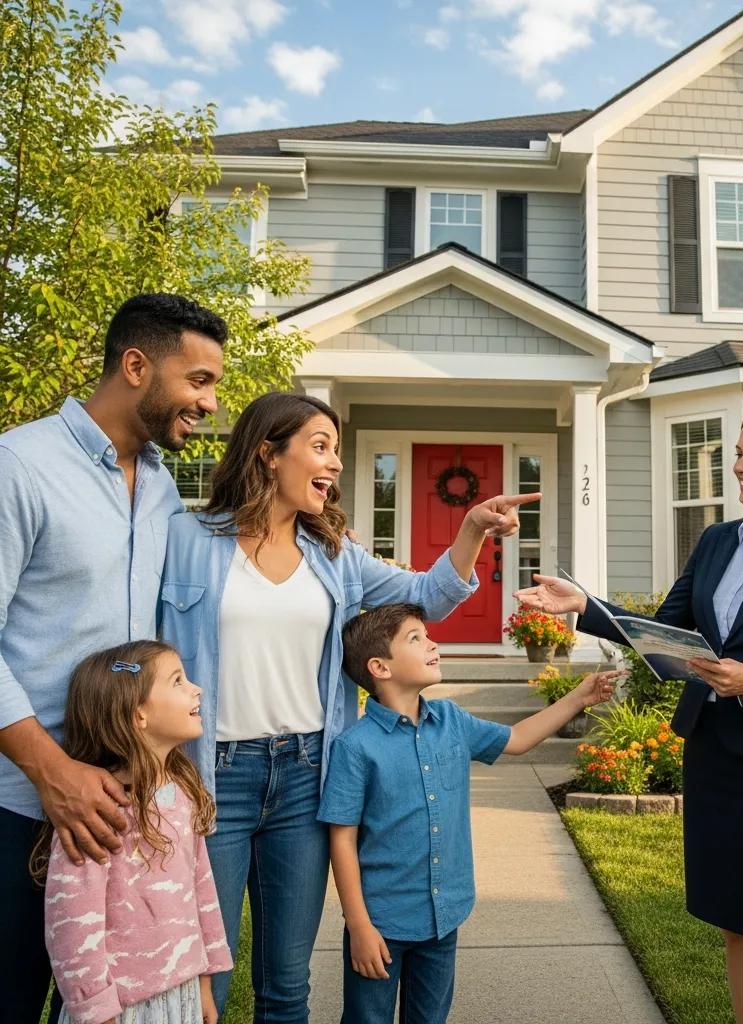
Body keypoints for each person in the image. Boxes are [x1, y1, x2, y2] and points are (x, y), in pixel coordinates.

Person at [159, 391, 540, 1023]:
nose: (334, 463)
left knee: (286, 982)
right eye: (319, 447)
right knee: (207, 975)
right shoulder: (187, 539)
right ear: (266, 453)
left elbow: (426, 595)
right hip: (209, 776)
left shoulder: (334, 555)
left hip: (307, 774)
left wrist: (472, 527)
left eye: (336, 449)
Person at [515, 404, 743, 1024]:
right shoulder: (714, 541)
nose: (739, 467)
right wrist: (585, 605)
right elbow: (666, 628)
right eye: (739, 453)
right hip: (712, 753)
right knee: (734, 924)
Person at [0, 293, 226, 1022]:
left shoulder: (162, 489)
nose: (209, 402)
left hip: (125, 809)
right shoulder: (19, 466)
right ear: (136, 365)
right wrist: (51, 768)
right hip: (19, 804)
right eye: (197, 380)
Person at [319, 602, 622, 1024]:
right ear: (380, 667)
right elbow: (342, 839)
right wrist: (360, 927)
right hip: (382, 923)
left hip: (444, 915)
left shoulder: (451, 720)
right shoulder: (355, 747)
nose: (432, 643)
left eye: (427, 635)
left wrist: (579, 697)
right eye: (415, 639)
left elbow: (516, 739)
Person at [41, 639, 232, 1024]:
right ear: (138, 715)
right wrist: (97, 1012)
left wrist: (206, 981)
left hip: (181, 995)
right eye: (178, 681)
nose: (196, 689)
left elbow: (203, 892)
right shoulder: (98, 813)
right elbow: (73, 925)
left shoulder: (182, 793)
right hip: (121, 1009)